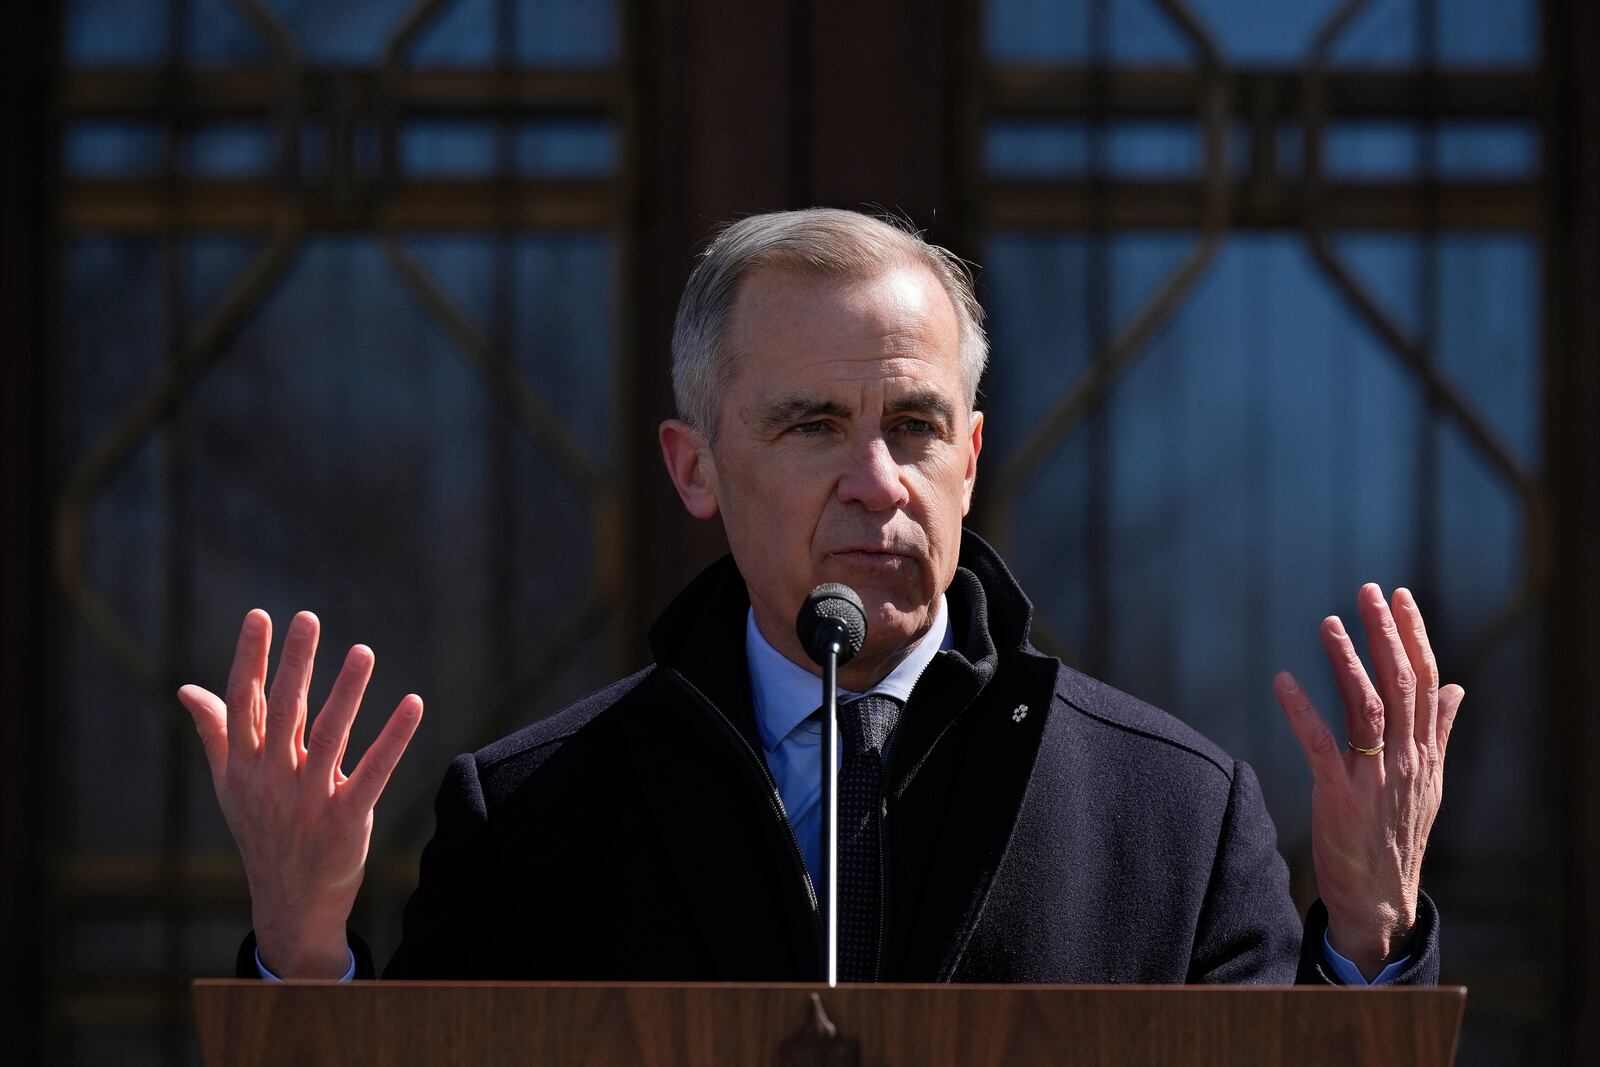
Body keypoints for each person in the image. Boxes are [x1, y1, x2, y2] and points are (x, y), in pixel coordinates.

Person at [179, 208, 1462, 985]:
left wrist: (1369, 929)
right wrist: (301, 957)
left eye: (913, 424)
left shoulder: (1176, 816)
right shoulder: (527, 819)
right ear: (695, 466)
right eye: (809, 424)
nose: (875, 480)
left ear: (969, 457)